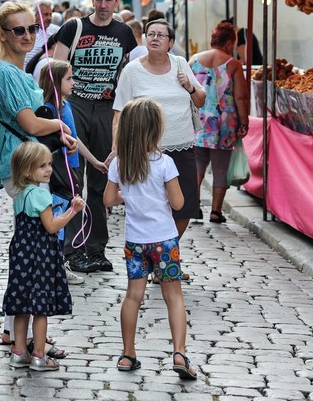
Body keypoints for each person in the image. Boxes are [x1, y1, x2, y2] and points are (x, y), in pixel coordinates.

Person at [0, 2, 76, 354]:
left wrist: (58, 135)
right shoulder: (6, 74)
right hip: (22, 168)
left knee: (31, 249)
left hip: (30, 162)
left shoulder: (19, 74)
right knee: (35, 252)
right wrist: (60, 125)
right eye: (18, 30)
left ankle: (16, 332)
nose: (27, 36)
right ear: (3, 34)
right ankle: (27, 338)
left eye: (31, 29)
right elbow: (31, 125)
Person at [103, 97, 197, 379]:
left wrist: (127, 196)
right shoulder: (165, 163)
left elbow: (109, 199)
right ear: (156, 131)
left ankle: (127, 354)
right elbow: (179, 203)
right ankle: (179, 353)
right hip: (165, 241)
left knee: (133, 297)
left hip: (135, 242)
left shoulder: (119, 164)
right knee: (174, 297)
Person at [52, 0, 137, 274]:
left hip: (106, 108)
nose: (102, 5)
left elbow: (131, 72)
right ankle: (73, 248)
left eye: (108, 0)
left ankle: (96, 247)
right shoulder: (73, 28)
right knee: (73, 178)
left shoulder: (124, 33)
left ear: (116, 2)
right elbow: (56, 70)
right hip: (74, 107)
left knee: (103, 176)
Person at [112, 19, 206, 280]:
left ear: (170, 43)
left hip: (182, 145)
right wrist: (117, 147)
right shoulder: (132, 71)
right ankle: (161, 261)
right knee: (154, 208)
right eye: (150, 34)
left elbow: (201, 99)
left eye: (160, 35)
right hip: (146, 150)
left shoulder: (180, 64)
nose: (154, 38)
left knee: (186, 206)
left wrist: (188, 85)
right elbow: (119, 111)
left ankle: (165, 255)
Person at [5, 142, 85, 372]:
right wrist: (72, 210)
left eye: (49, 164)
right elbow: (50, 226)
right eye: (42, 166)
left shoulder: (21, 193)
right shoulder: (40, 194)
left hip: (22, 254)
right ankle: (39, 354)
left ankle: (19, 352)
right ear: (27, 171)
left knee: (22, 304)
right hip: (40, 255)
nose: (49, 169)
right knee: (40, 307)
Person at [38, 59, 108, 285]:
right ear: (55, 82)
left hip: (73, 169)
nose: (73, 82)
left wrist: (94, 161)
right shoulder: (47, 110)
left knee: (70, 212)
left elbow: (75, 137)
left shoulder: (66, 106)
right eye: (69, 78)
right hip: (59, 172)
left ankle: (60, 262)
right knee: (60, 215)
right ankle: (58, 264)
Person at [189, 22, 250, 223]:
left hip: (198, 122)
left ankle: (193, 207)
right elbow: (241, 97)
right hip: (224, 126)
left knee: (197, 165)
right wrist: (244, 121)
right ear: (230, 42)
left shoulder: (194, 61)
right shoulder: (233, 65)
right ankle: (215, 211)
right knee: (220, 168)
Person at [24, 0, 59, 68]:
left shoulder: (57, 30)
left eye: (50, 14)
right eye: (45, 14)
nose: (49, 18)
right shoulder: (26, 31)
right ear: (35, 14)